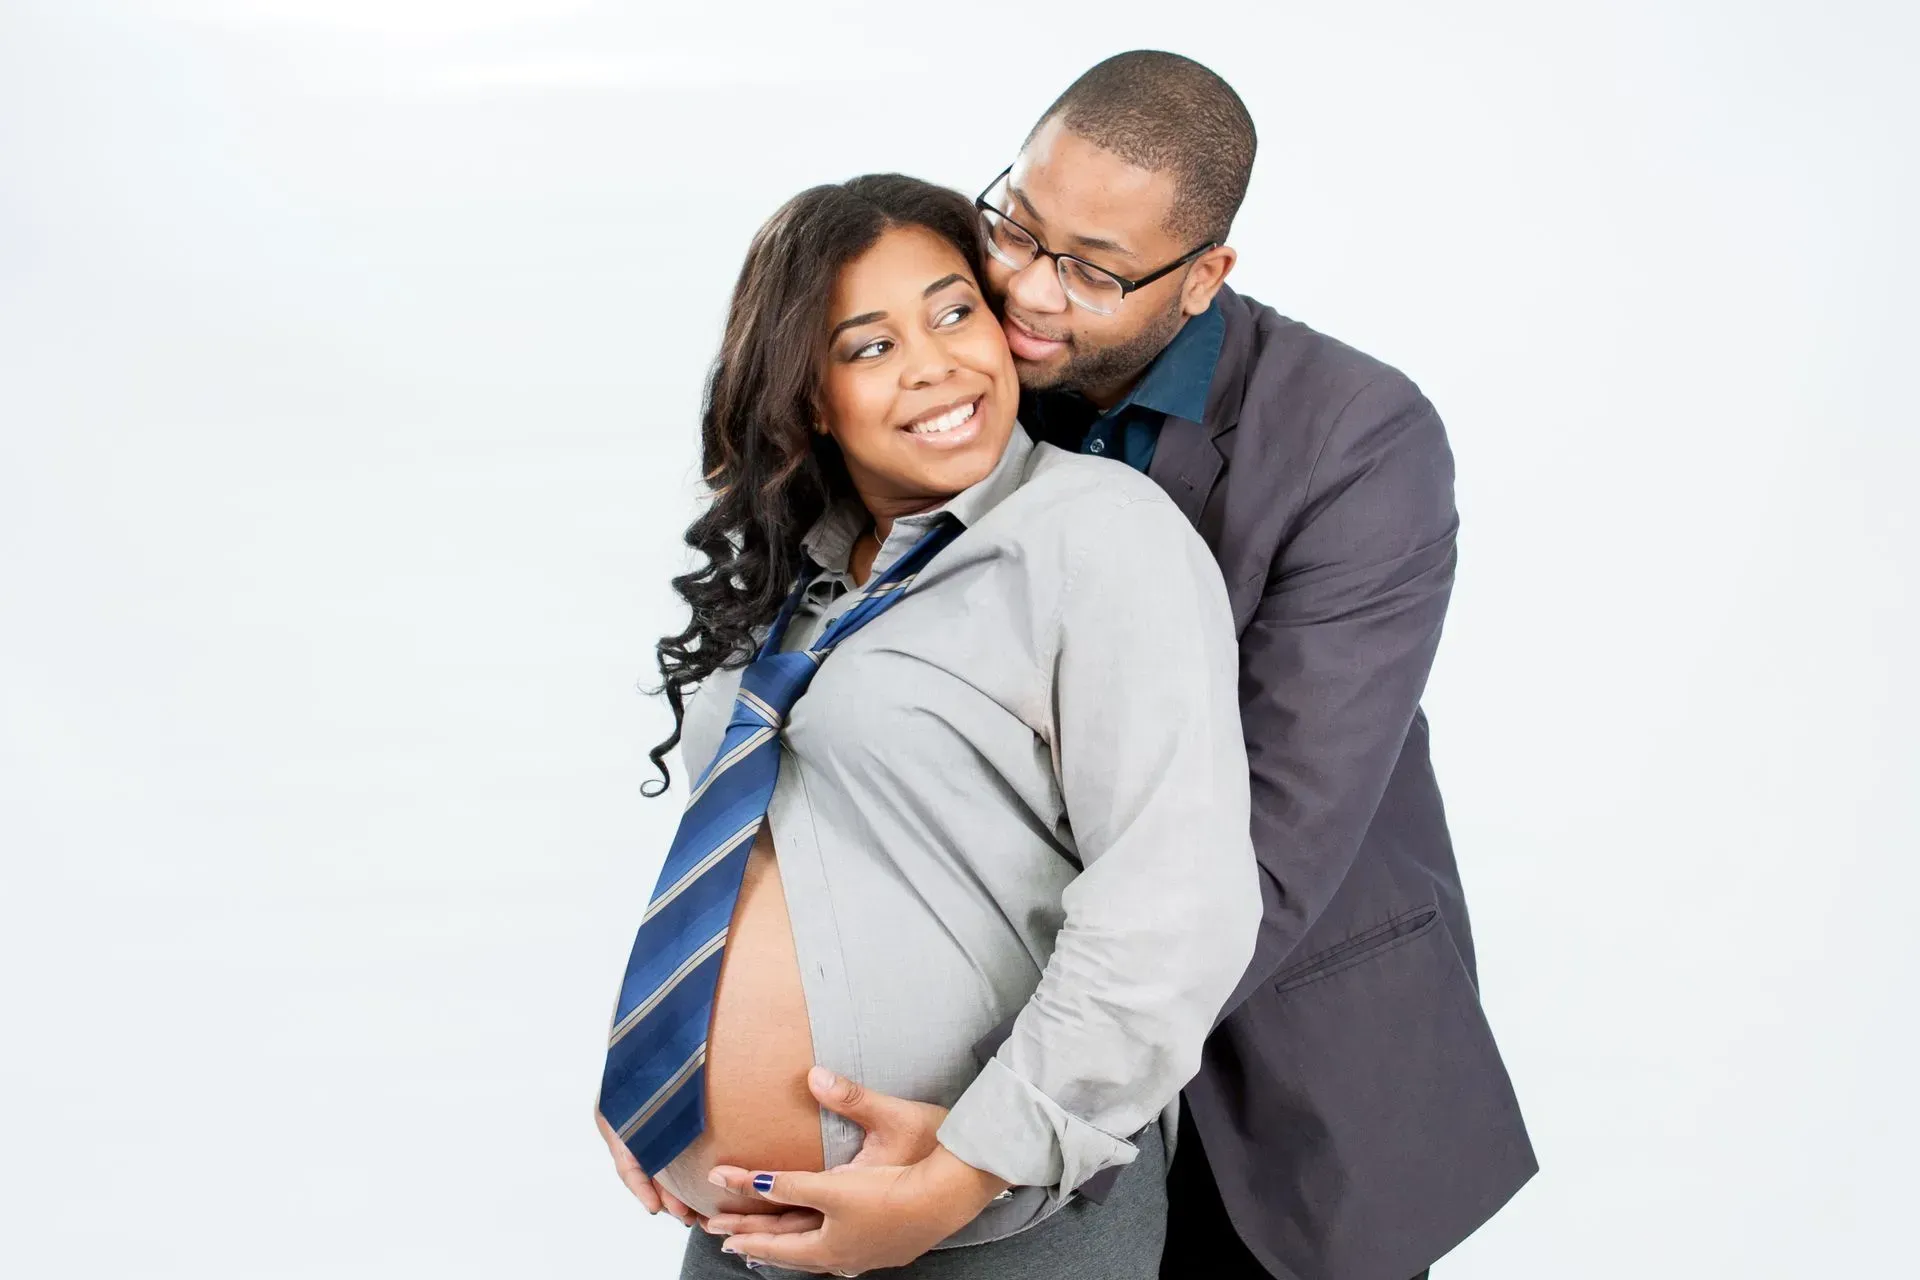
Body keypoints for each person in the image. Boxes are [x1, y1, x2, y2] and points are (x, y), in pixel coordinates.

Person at [687, 52, 1538, 1280]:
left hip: (1280, 1073)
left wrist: (1003, 1126)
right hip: (988, 1075)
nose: (1027, 289)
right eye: (1015, 227)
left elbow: (1255, 853)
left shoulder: (1357, 440)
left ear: (1203, 278)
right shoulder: (959, 376)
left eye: (1089, 268)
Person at [596, 172, 1262, 1279]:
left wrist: (958, 1172)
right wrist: (665, 1073)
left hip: (986, 1225)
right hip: (736, 1231)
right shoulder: (797, 571)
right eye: (869, 345)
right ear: (810, 395)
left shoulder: (1096, 535)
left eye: (955, 311)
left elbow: (1170, 904)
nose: (936, 363)